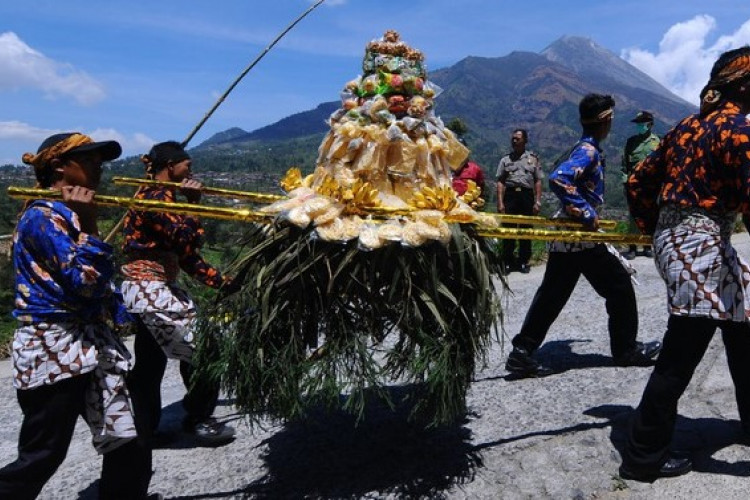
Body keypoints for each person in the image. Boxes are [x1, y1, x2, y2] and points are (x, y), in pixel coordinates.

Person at [619, 46, 750, 482]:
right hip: (702, 243)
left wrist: (657, 229)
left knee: (743, 326)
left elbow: (637, 182)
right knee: (682, 350)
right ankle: (642, 457)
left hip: (680, 239)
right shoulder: (741, 129)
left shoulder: (686, 127)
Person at [0, 133, 153, 499]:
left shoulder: (69, 215)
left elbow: (98, 288)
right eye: (87, 160)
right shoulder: (42, 217)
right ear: (58, 167)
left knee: (125, 439)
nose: (97, 167)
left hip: (91, 345)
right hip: (54, 349)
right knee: (43, 453)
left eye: (98, 161)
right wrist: (89, 222)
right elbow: (86, 284)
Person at [504, 94, 662, 378]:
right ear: (606, 120)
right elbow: (559, 179)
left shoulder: (584, 147)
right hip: (579, 235)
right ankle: (626, 349)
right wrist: (586, 213)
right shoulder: (588, 150)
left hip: (567, 235)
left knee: (552, 294)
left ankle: (522, 352)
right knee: (619, 286)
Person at [121, 141, 235, 447]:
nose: (191, 171)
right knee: (205, 351)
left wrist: (222, 281)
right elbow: (184, 238)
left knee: (149, 364)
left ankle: (144, 430)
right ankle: (197, 419)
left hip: (153, 288)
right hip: (149, 289)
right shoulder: (155, 197)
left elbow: (187, 258)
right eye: (188, 165)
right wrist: (195, 203)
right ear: (171, 166)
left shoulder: (165, 197)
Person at [496, 129, 543, 273]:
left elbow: (538, 181)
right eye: (513, 139)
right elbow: (500, 181)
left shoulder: (533, 159)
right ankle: (508, 261)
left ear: (525, 141)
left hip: (526, 196)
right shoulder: (505, 160)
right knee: (508, 230)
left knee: (525, 229)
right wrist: (500, 202)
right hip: (510, 195)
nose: (514, 141)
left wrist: (537, 201)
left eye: (517, 138)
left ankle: (523, 261)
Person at [620, 111, 659, 260]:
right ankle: (632, 247)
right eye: (638, 124)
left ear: (650, 124)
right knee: (633, 217)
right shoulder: (631, 142)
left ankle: (647, 245)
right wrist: (625, 181)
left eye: (642, 124)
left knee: (649, 215)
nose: (639, 127)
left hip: (651, 186)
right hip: (633, 185)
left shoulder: (657, 143)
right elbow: (625, 164)